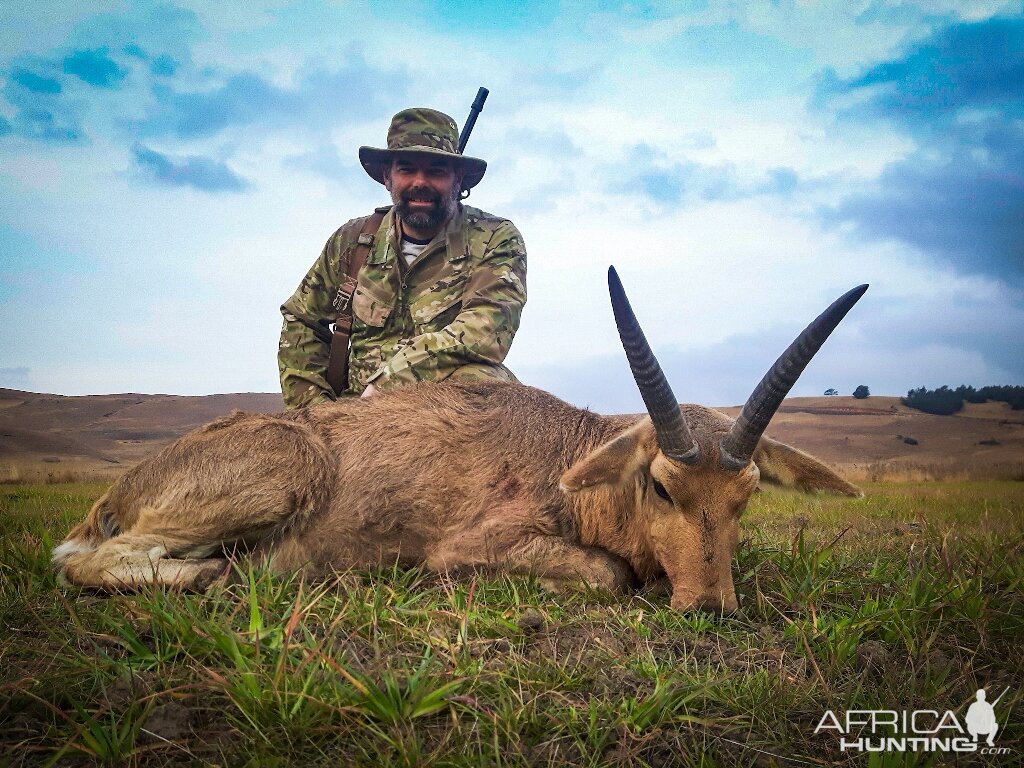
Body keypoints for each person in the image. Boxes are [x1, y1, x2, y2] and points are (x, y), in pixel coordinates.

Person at [278, 108, 527, 408]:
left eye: (436, 171)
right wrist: (317, 414)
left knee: (490, 388)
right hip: (354, 417)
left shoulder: (495, 240)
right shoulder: (351, 242)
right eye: (407, 169)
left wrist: (389, 384)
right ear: (387, 177)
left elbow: (486, 330)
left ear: (458, 180)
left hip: (445, 414)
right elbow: (301, 320)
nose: (420, 182)